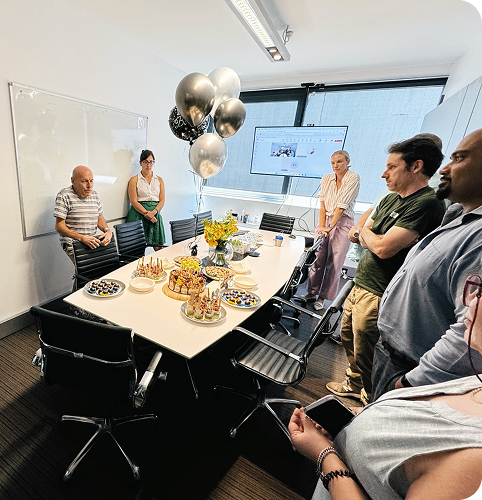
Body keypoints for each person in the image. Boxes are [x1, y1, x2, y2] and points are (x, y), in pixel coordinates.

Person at [289, 270, 482, 499]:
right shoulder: (475, 381)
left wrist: (324, 455)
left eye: (481, 291)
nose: (469, 298)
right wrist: (364, 418)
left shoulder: (474, 462)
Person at [326, 137, 445, 404]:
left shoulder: (426, 203)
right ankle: (355, 383)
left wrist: (366, 234)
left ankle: (371, 400)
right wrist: (368, 234)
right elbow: (360, 231)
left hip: (380, 290)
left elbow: (382, 248)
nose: (383, 174)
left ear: (416, 166)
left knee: (368, 349)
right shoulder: (392, 199)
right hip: (362, 282)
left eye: (391, 167)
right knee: (349, 337)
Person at [371, 128, 482, 401]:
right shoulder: (459, 217)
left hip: (412, 372)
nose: (444, 169)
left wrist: (410, 384)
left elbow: (471, 336)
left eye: (459, 158)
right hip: (394, 356)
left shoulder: (479, 237)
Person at [303, 150, 360, 311]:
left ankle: (322, 296)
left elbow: (341, 206)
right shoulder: (326, 178)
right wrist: (322, 226)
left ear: (348, 161)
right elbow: (322, 205)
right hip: (326, 221)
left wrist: (330, 227)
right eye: (333, 163)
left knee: (334, 263)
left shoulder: (353, 178)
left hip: (342, 222)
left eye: (339, 162)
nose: (336, 165)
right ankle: (311, 292)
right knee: (318, 258)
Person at [54, 165, 112, 264]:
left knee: (104, 267)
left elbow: (99, 218)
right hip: (73, 243)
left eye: (91, 181)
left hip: (91, 241)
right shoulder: (64, 195)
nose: (89, 186)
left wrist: (107, 230)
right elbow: (59, 226)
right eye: (84, 181)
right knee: (87, 269)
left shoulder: (94, 194)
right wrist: (81, 237)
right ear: (73, 181)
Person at [126, 149, 166, 251]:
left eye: (151, 162)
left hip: (155, 214)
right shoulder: (134, 180)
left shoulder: (159, 180)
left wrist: (153, 213)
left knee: (159, 247)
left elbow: (162, 200)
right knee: (136, 248)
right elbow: (133, 201)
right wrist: (146, 214)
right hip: (138, 215)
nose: (148, 165)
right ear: (140, 163)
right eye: (145, 162)